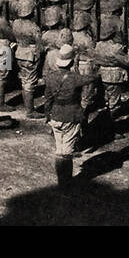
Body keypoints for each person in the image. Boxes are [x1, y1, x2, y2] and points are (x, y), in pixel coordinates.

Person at [43, 43, 95, 187]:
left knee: (59, 150)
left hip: (55, 116)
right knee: (66, 154)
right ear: (71, 62)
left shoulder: (50, 77)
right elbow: (90, 78)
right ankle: (65, 184)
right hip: (70, 116)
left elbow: (47, 100)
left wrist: (47, 115)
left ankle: (62, 182)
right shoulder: (75, 78)